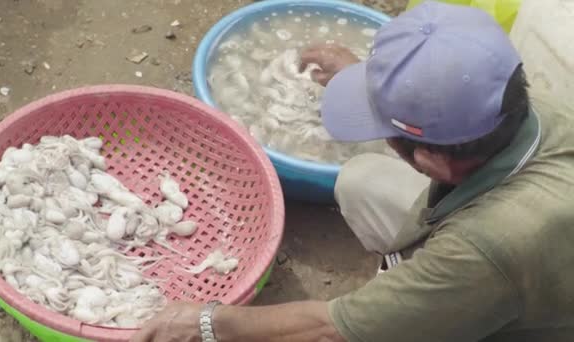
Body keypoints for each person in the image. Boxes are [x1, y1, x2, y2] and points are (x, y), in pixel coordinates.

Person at [131, 1, 574, 341]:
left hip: (530, 313)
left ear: (435, 162)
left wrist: (207, 322)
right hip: (527, 257)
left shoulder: (481, 251)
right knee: (362, 181)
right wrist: (373, 80)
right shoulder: (523, 110)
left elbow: (331, 328)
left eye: (386, 130)